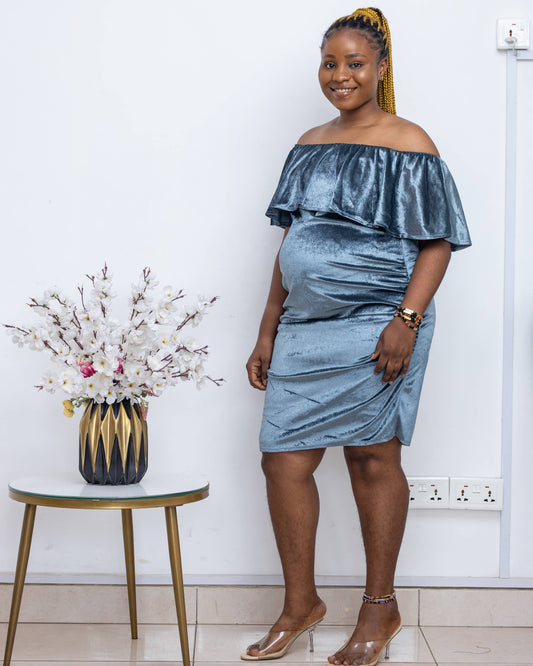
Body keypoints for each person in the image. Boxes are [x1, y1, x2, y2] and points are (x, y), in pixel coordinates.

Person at [244, 7, 471, 666]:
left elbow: (437, 242)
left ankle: (379, 607)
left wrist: (406, 321)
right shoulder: (309, 142)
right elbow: (293, 241)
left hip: (379, 323)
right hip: (303, 326)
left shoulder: (409, 142)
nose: (339, 75)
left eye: (354, 63)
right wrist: (267, 329)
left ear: (380, 68)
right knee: (282, 460)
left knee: (371, 459)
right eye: (329, 63)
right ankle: (300, 603)